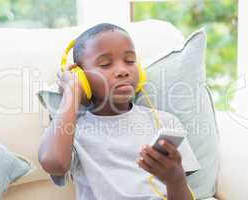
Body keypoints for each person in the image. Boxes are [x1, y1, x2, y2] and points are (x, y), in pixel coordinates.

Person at [38, 23, 200, 200]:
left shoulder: (164, 123)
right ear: (81, 76)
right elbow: (54, 163)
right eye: (105, 64)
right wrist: (72, 92)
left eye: (130, 61)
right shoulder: (70, 131)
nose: (123, 71)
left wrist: (175, 179)